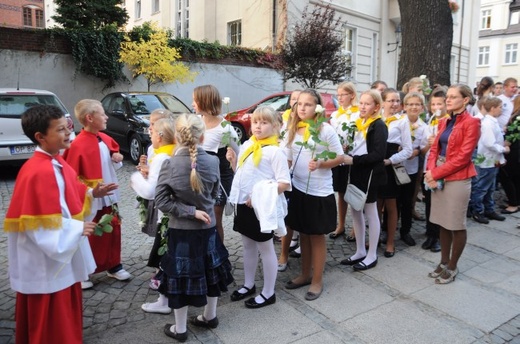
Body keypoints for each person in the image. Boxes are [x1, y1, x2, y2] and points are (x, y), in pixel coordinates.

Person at [4, 105, 116, 344]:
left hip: (59, 256)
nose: (68, 134)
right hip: (46, 260)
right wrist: (77, 228)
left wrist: (91, 193)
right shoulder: (37, 171)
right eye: (60, 130)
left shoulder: (56, 161)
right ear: (40, 137)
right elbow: (37, 225)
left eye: (67, 128)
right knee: (51, 321)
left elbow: (69, 193)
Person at [154, 114, 234, 341]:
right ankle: (210, 316)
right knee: (210, 271)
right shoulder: (213, 161)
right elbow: (216, 192)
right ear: (202, 136)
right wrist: (199, 209)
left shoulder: (170, 164)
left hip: (182, 233)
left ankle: (180, 329)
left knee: (180, 277)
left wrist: (189, 212)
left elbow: (161, 201)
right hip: (207, 228)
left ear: (177, 136)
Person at [226, 106, 291, 308]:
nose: (258, 126)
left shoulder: (275, 151)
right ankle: (248, 284)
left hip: (261, 208)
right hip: (243, 205)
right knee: (247, 246)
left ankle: (268, 292)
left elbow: (284, 183)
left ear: (275, 126)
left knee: (266, 248)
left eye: (263, 123)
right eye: (255, 122)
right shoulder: (247, 145)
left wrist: (259, 196)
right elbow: (245, 173)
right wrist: (234, 161)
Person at [283, 89, 344, 301]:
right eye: (299, 103)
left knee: (316, 236)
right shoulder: (293, 128)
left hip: (319, 192)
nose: (302, 107)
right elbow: (288, 159)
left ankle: (317, 280)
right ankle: (305, 274)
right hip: (299, 188)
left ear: (317, 107)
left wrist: (321, 163)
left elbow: (340, 157)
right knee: (303, 233)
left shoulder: (325, 130)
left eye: (308, 104)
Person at [64, 99, 131, 289]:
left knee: (113, 229)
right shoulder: (77, 145)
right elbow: (72, 177)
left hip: (109, 194)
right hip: (91, 198)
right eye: (102, 114)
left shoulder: (103, 138)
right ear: (90, 118)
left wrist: (116, 158)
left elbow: (111, 160)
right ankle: (83, 271)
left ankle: (113, 264)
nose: (106, 116)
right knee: (90, 232)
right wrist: (92, 192)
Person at [424, 84, 480, 284]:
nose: (448, 100)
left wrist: (436, 173)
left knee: (456, 223)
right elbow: (434, 149)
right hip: (439, 173)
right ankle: (443, 261)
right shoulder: (444, 121)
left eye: (453, 97)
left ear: (465, 100)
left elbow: (464, 157)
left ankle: (453, 266)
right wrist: (430, 171)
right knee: (441, 221)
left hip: (458, 176)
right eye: (447, 96)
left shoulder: (472, 123)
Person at [340, 90, 387, 270]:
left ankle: (372, 254)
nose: (363, 106)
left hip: (370, 174)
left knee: (370, 211)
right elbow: (358, 147)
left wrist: (354, 160)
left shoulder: (379, 125)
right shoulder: (360, 122)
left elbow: (378, 155)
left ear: (376, 107)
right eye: (361, 103)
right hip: (357, 171)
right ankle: (360, 250)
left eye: (367, 104)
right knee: (355, 209)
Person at [131, 116, 176, 292]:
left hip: (165, 211)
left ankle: (164, 289)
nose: (149, 136)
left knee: (164, 247)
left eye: (152, 132)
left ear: (159, 136)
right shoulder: (175, 151)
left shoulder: (161, 157)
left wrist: (135, 180)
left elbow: (152, 190)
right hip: (176, 209)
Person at [194, 85, 239, 242]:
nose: (192, 104)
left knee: (213, 220)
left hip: (218, 180)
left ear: (204, 102)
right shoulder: (197, 122)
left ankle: (218, 256)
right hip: (198, 178)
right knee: (200, 218)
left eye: (195, 100)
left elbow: (238, 153)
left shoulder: (225, 128)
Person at [378, 88, 413, 256]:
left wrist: (391, 160)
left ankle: (390, 242)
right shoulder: (376, 118)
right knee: (375, 205)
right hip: (375, 163)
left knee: (391, 205)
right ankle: (376, 237)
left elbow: (408, 149)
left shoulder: (402, 121)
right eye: (391, 100)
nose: (394, 104)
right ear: (383, 102)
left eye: (397, 101)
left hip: (390, 164)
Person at [469, 96, 508, 224]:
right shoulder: (487, 123)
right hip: (485, 160)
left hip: (492, 160)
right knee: (481, 187)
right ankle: (477, 211)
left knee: (490, 187)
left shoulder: (492, 122)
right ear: (493, 108)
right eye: (500, 107)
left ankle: (489, 209)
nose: (502, 110)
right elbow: (489, 143)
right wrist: (503, 149)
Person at [329, 81, 359, 240]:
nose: (340, 98)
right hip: (338, 157)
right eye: (338, 95)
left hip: (352, 157)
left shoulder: (358, 113)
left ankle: (356, 227)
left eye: (343, 94)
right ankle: (340, 225)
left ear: (352, 95)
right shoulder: (335, 115)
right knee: (341, 192)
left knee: (352, 191)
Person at [420, 88, 450, 252]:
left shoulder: (449, 122)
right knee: (429, 201)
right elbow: (424, 150)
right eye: (433, 104)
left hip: (442, 168)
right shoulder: (429, 123)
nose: (436, 107)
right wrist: (429, 144)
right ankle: (430, 233)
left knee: (440, 202)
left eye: (439, 103)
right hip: (429, 167)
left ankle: (439, 236)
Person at [399, 92, 427, 246]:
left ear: (422, 107)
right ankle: (388, 229)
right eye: (410, 104)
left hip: (410, 168)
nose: (413, 107)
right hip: (396, 167)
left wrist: (415, 152)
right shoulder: (398, 122)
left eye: (417, 104)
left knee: (407, 200)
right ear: (404, 107)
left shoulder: (424, 127)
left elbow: (423, 149)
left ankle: (406, 230)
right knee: (393, 201)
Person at [278, 89, 301, 272]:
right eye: (296, 105)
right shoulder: (286, 128)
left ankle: (297, 247)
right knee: (287, 217)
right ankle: (283, 255)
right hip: (287, 176)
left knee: (296, 217)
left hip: (303, 178)